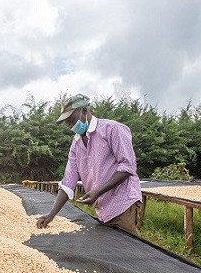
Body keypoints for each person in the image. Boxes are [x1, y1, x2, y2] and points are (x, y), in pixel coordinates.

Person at [35, 93, 144, 235]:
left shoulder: (112, 129)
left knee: (126, 247)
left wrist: (98, 192)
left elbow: (127, 167)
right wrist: (51, 215)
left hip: (123, 204)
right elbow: (68, 182)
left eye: (71, 119)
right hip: (102, 210)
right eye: (66, 122)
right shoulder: (76, 145)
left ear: (84, 110)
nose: (69, 125)